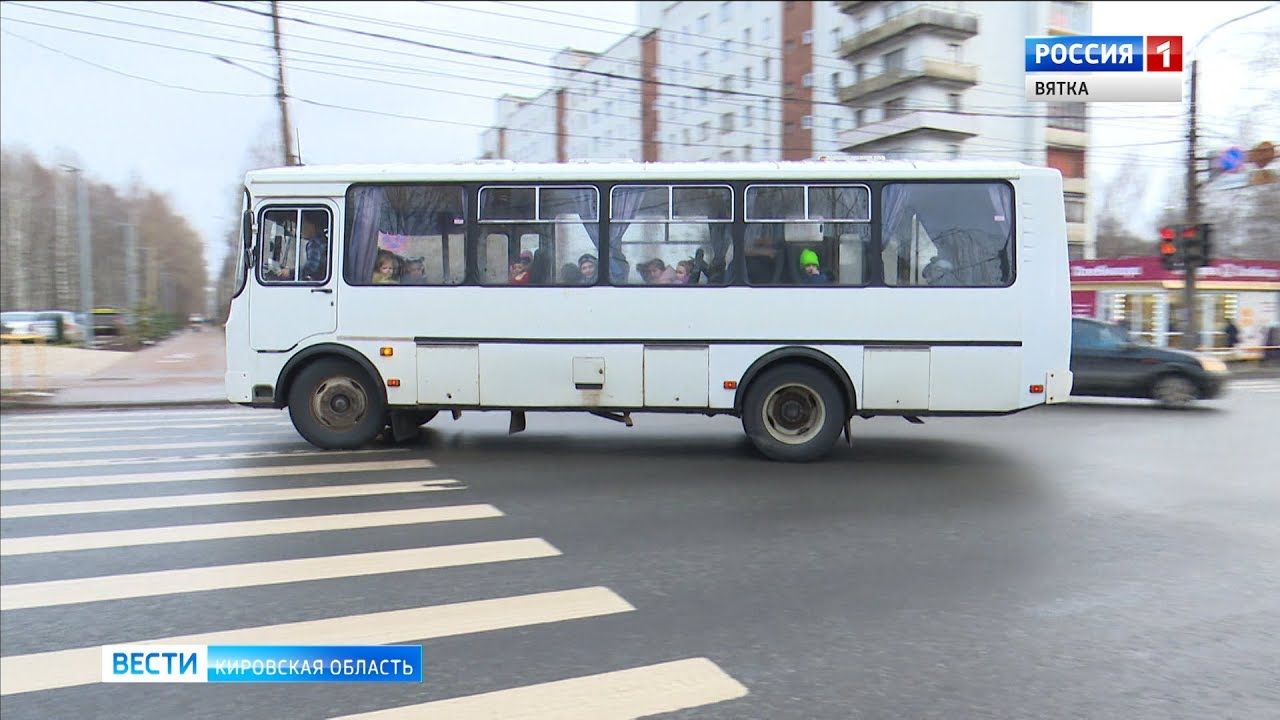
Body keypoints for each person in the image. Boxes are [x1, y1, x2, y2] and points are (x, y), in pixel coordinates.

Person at [299, 216, 328, 282]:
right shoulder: (324, 240)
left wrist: (290, 272)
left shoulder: (315, 243)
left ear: (311, 226)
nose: (301, 230)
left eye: (303, 226)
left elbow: (312, 266)